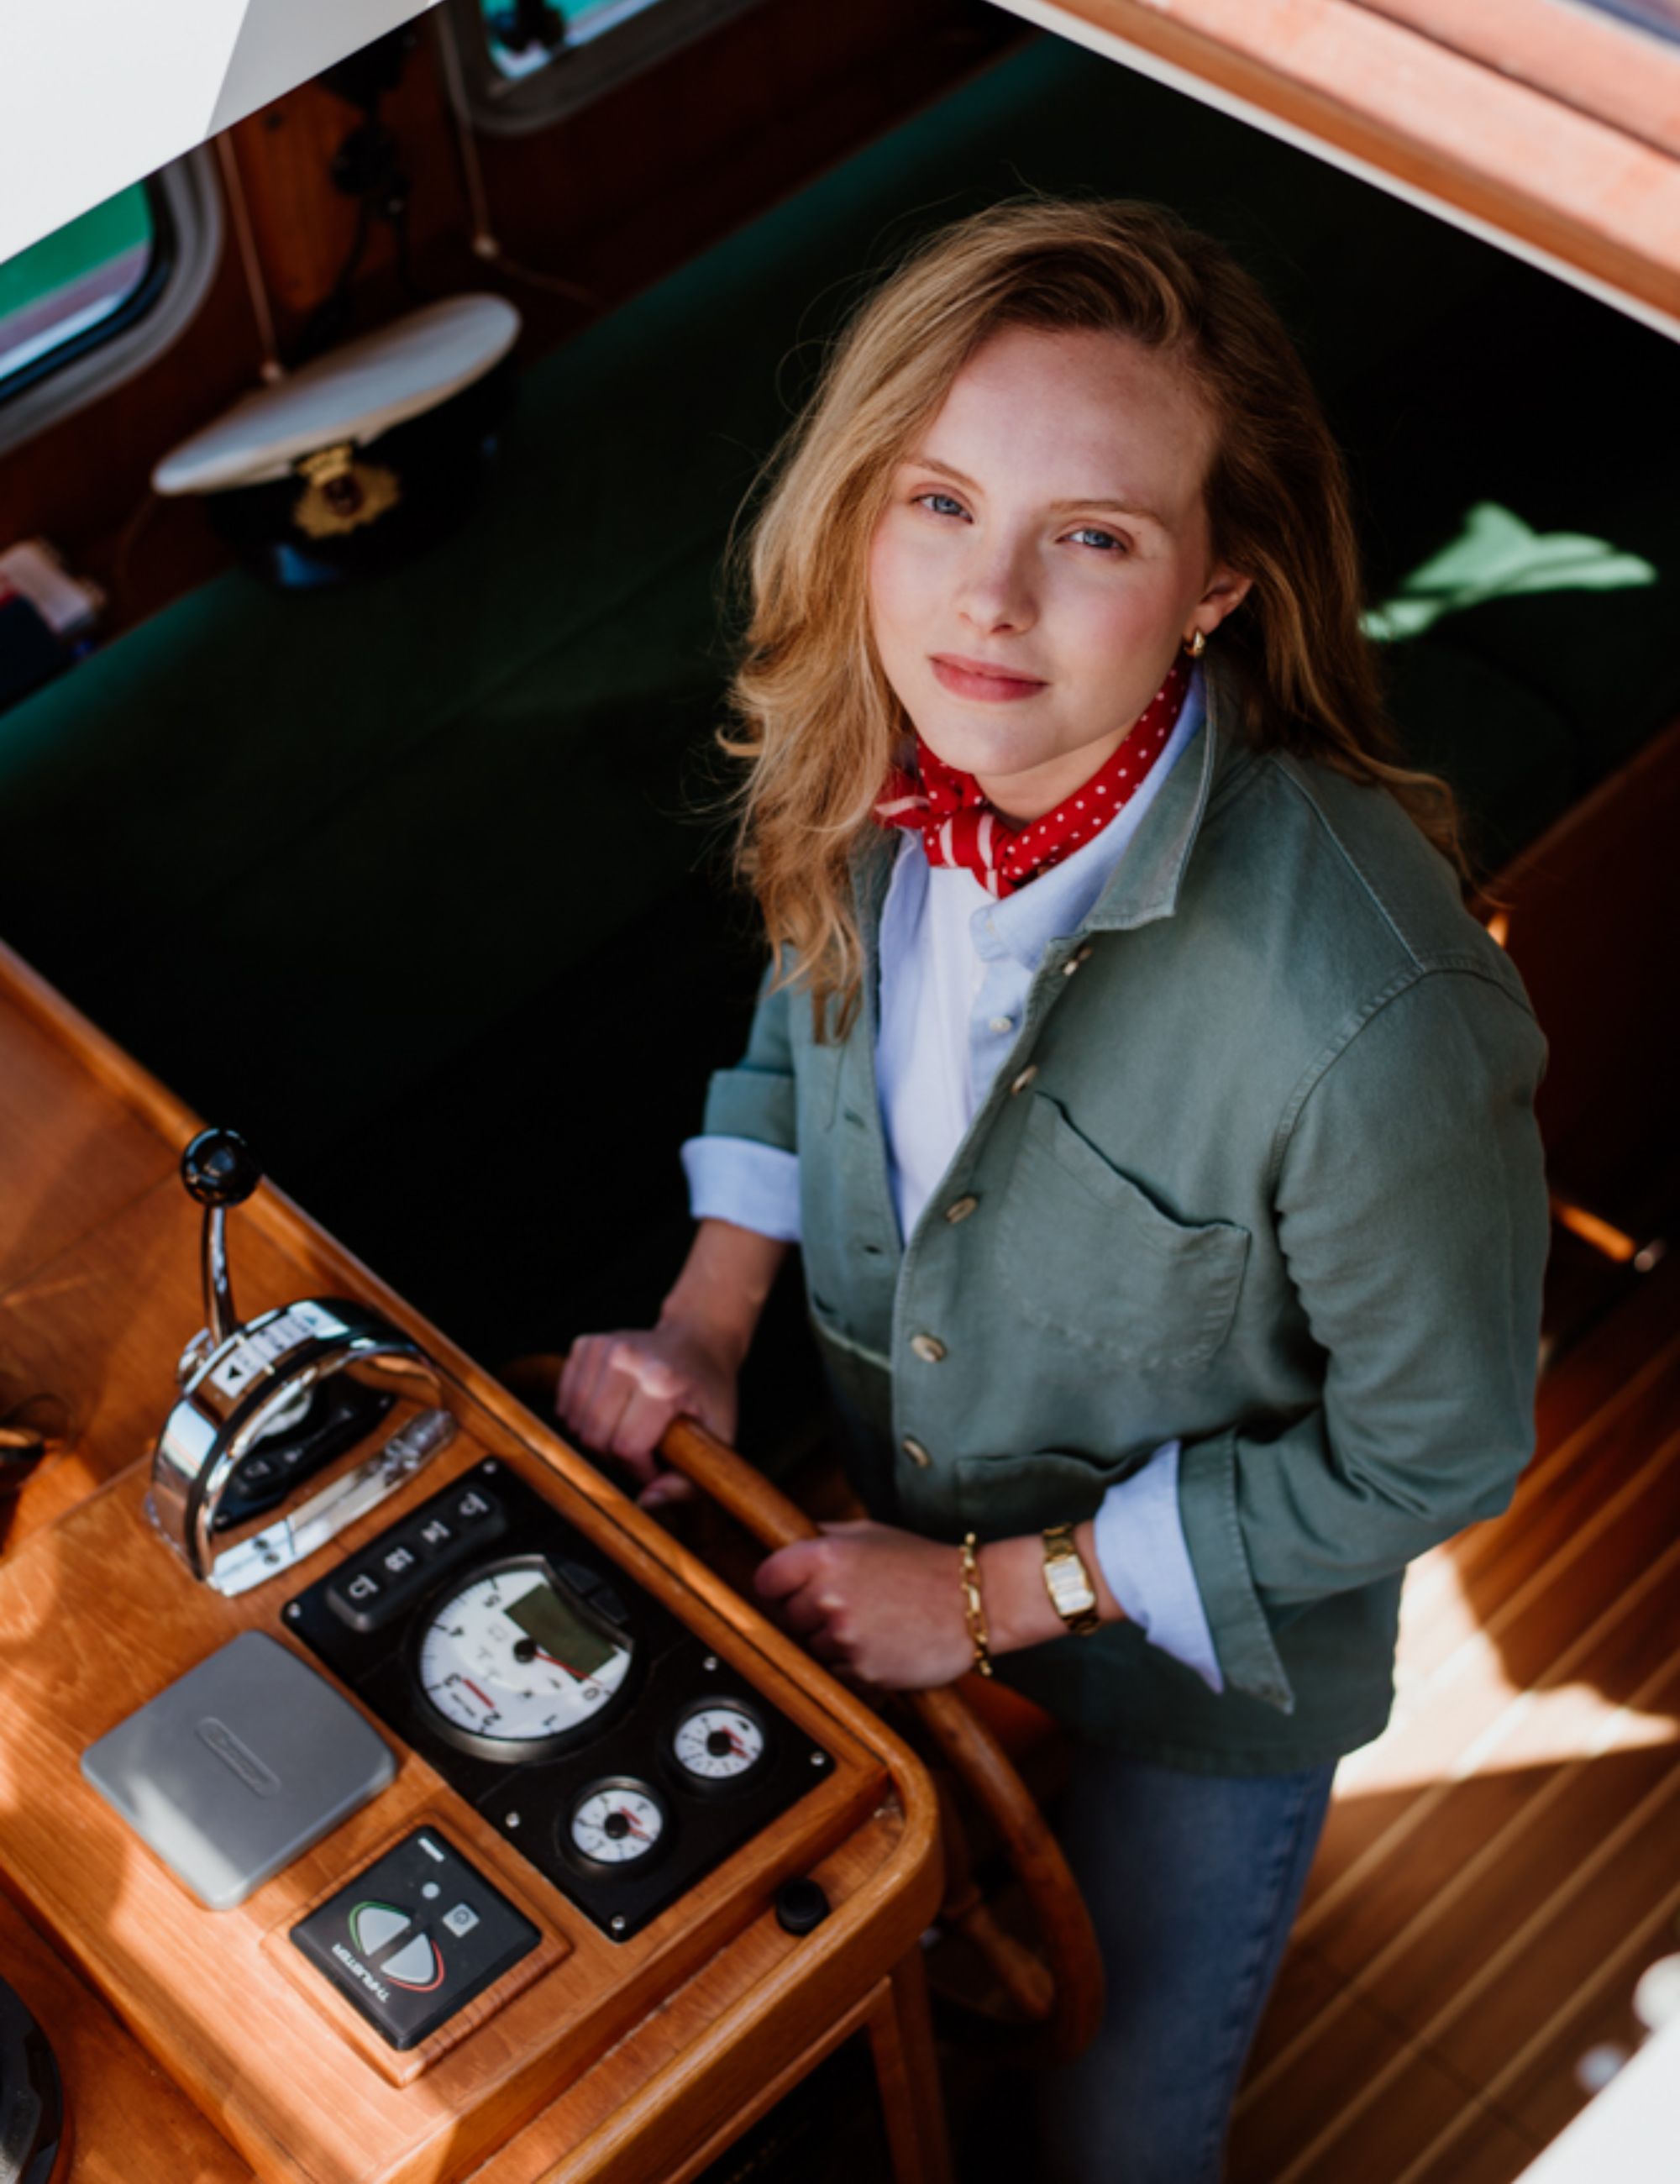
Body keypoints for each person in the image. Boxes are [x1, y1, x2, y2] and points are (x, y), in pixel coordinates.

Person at [555, 197, 1549, 2180]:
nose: (984, 600)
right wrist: (708, 1314)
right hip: (899, 1513)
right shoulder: (884, 748)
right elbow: (801, 1011)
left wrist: (993, 1600)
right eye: (937, 502)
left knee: (1109, 2145)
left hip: (1207, 1668)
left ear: (1215, 586)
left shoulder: (1368, 1015)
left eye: (1089, 536)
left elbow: (1441, 1446)